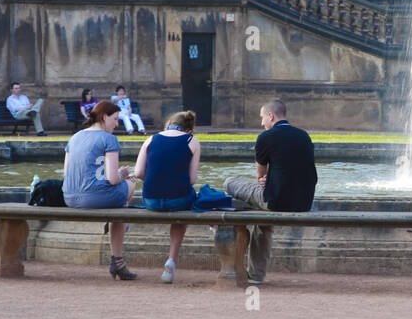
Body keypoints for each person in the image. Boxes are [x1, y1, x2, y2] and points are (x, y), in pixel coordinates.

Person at [224, 99, 317, 285]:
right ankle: (256, 276)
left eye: (262, 118)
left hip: (276, 201)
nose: (261, 123)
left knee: (229, 183)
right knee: (262, 222)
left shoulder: (266, 137)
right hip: (304, 202)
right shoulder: (304, 136)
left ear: (271, 116)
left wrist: (267, 179)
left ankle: (247, 271)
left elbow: (260, 179)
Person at [63, 100, 138, 280]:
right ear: (104, 117)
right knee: (132, 182)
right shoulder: (109, 139)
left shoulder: (75, 137)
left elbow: (67, 173)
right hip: (95, 198)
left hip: (69, 197)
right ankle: (118, 258)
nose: (117, 123)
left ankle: (118, 219)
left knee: (120, 199)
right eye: (115, 119)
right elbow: (113, 179)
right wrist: (123, 174)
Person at [134, 110, 201, 284]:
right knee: (186, 203)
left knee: (175, 196)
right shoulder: (191, 141)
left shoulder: (150, 139)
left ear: (168, 124)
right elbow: (192, 180)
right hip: (179, 199)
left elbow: (138, 172)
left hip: (151, 200)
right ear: (189, 129)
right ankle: (171, 259)